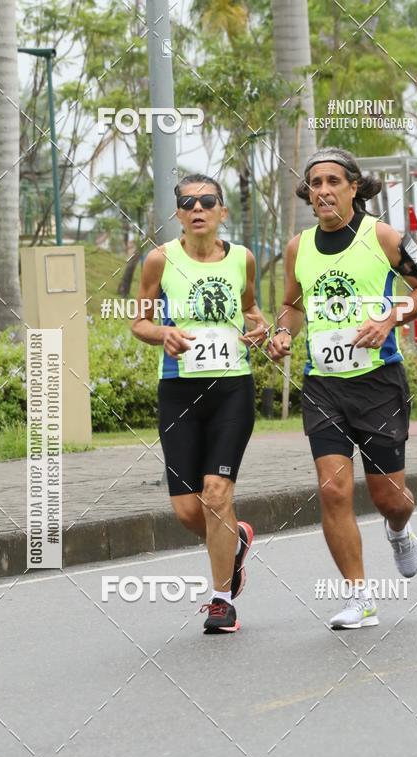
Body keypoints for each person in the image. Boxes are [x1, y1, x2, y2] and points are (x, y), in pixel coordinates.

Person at [269, 147, 417, 629]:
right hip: (323, 384)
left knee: (390, 498)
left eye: (332, 181)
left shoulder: (384, 237)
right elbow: (291, 304)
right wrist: (283, 332)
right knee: (334, 490)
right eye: (314, 183)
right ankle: (359, 597)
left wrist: (391, 317)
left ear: (353, 187)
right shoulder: (296, 247)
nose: (322, 190)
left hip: (379, 383)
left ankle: (399, 530)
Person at [132, 174, 270, 633]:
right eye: (188, 202)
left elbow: (252, 311)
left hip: (232, 389)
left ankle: (220, 600)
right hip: (179, 391)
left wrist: (260, 328)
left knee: (216, 494)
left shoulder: (242, 260)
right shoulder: (160, 260)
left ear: (221, 211)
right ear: (178, 214)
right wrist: (163, 333)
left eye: (207, 201)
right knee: (189, 511)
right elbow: (140, 323)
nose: (198, 208)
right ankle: (237, 542)